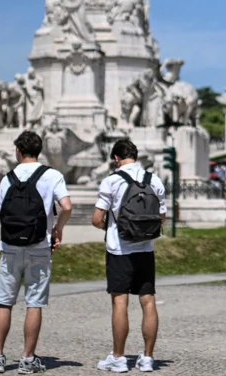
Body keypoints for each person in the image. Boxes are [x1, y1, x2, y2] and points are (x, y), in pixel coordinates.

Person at [0, 131, 73, 374]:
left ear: (18, 151)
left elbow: (1, 213)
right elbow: (66, 206)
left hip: (10, 247)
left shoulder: (7, 179)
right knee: (34, 303)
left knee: (4, 302)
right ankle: (27, 359)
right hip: (39, 246)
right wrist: (57, 229)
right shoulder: (52, 175)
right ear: (39, 151)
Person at [91, 139, 167, 373]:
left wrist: (113, 227)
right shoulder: (154, 180)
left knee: (119, 302)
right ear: (135, 156)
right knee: (148, 300)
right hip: (145, 249)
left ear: (116, 158)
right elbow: (161, 218)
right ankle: (147, 358)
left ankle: (119, 358)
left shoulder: (111, 181)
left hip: (119, 249)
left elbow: (96, 219)